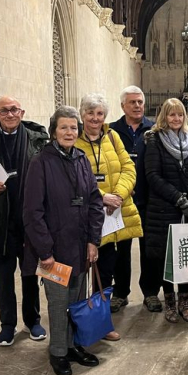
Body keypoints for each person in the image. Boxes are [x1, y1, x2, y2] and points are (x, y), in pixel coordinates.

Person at [22, 106, 105, 375]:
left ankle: (72, 346)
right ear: (53, 131)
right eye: (63, 127)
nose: (69, 132)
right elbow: (33, 212)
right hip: (53, 251)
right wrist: (44, 252)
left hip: (80, 246)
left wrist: (93, 241)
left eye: (73, 127)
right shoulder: (41, 162)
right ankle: (58, 351)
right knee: (58, 304)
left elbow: (94, 200)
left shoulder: (81, 158)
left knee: (76, 301)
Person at [0, 96, 49, 347]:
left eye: (14, 109)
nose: (10, 114)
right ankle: (7, 325)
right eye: (4, 111)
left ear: (22, 112)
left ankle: (33, 320)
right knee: (3, 278)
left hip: (27, 219)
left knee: (29, 275)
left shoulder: (38, 140)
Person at [76, 93, 143, 341]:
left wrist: (119, 194)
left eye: (100, 114)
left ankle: (102, 323)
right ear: (82, 115)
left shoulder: (112, 137)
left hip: (115, 212)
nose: (95, 118)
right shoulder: (75, 140)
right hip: (89, 215)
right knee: (90, 270)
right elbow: (73, 178)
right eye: (90, 113)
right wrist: (102, 196)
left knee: (108, 266)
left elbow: (128, 167)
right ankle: (83, 321)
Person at [143, 98, 188, 322]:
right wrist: (178, 198)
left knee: (185, 256)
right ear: (164, 116)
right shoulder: (154, 140)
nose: (176, 119)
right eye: (171, 115)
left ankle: (185, 303)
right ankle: (169, 302)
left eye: (180, 114)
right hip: (164, 209)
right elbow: (153, 176)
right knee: (165, 258)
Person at [109, 86, 155, 312]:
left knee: (148, 249)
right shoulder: (112, 131)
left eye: (140, 102)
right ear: (122, 106)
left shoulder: (154, 129)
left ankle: (150, 292)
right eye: (132, 102)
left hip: (148, 200)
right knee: (121, 250)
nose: (137, 106)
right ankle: (120, 293)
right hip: (122, 201)